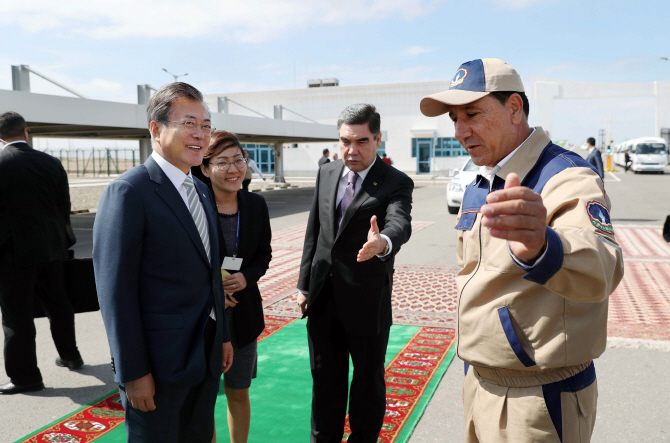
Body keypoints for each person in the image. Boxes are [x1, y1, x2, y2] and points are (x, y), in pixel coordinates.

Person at [420, 58, 624, 443]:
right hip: (480, 382)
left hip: (538, 399)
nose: (461, 131)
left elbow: (603, 267)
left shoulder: (565, 176)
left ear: (514, 108)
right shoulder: (482, 179)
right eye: (454, 119)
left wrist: (544, 245)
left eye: (473, 114)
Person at [93, 82, 233, 443]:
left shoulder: (200, 188)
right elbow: (115, 293)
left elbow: (210, 274)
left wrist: (223, 337)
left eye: (206, 125)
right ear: (156, 129)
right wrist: (132, 371)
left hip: (204, 354)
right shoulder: (129, 191)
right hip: (157, 366)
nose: (201, 135)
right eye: (190, 123)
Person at [297, 104, 414, 443]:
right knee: (325, 383)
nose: (351, 150)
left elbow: (399, 222)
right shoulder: (328, 172)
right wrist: (304, 286)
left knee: (367, 384)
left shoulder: (395, 181)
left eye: (361, 141)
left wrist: (383, 242)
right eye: (345, 141)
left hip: (367, 301)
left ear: (377, 139)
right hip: (322, 300)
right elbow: (314, 233)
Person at [0, 112, 83, 395]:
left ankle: (26, 377)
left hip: (14, 254)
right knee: (59, 305)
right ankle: (70, 355)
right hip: (53, 249)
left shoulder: (2, 163)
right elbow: (64, 207)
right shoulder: (51, 162)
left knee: (16, 316)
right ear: (25, 132)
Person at [200, 131, 272, 443]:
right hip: (204, 318)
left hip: (243, 314)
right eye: (223, 162)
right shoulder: (194, 206)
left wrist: (247, 277)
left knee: (238, 391)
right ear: (205, 168)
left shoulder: (255, 204)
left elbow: (263, 254)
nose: (233, 169)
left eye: (238, 160)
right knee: (204, 397)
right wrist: (213, 290)